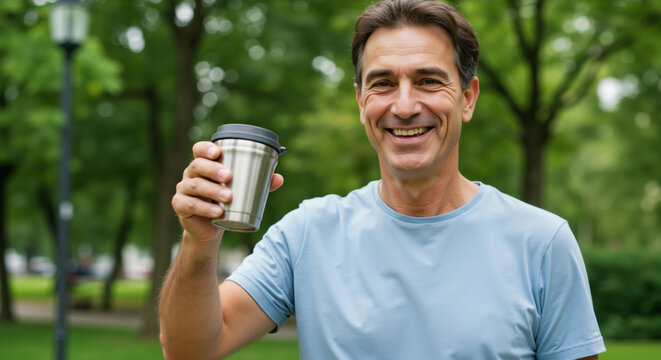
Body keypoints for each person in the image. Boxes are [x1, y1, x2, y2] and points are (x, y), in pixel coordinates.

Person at [160, 0, 605, 358]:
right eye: (383, 83)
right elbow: (189, 350)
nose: (405, 105)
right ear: (361, 102)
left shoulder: (543, 242)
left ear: (467, 99)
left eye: (429, 81)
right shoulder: (308, 233)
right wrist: (199, 241)